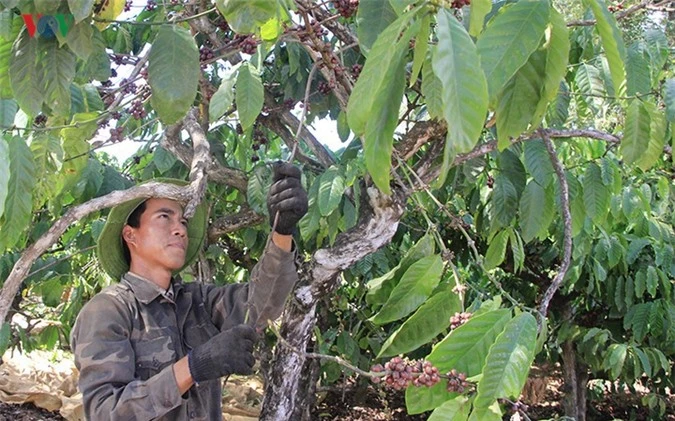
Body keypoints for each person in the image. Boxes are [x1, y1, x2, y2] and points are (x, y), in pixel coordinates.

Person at [70, 163, 308, 421]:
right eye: (164, 217)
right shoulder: (108, 310)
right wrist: (194, 366)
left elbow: (261, 306)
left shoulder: (198, 302)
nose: (180, 229)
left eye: (182, 221)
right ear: (131, 234)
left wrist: (282, 232)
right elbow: (105, 413)